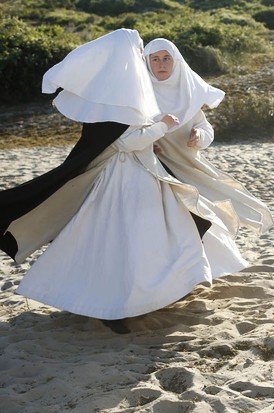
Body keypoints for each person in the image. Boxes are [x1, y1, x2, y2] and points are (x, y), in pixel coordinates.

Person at [0, 29, 230, 334]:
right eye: (140, 51)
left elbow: (131, 139)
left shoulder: (123, 90)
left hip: (141, 173)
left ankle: (166, 290)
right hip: (123, 178)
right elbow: (125, 143)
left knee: (162, 232)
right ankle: (115, 308)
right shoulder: (119, 96)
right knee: (125, 242)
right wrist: (160, 128)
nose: (143, 57)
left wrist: (158, 137)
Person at [142, 38, 274, 276]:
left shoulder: (188, 93)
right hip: (151, 168)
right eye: (155, 59)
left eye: (166, 58)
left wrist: (199, 136)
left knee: (197, 216)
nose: (161, 64)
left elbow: (206, 129)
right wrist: (145, 145)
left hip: (187, 165)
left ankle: (198, 270)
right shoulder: (140, 96)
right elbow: (130, 132)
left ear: (176, 61)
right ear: (147, 62)